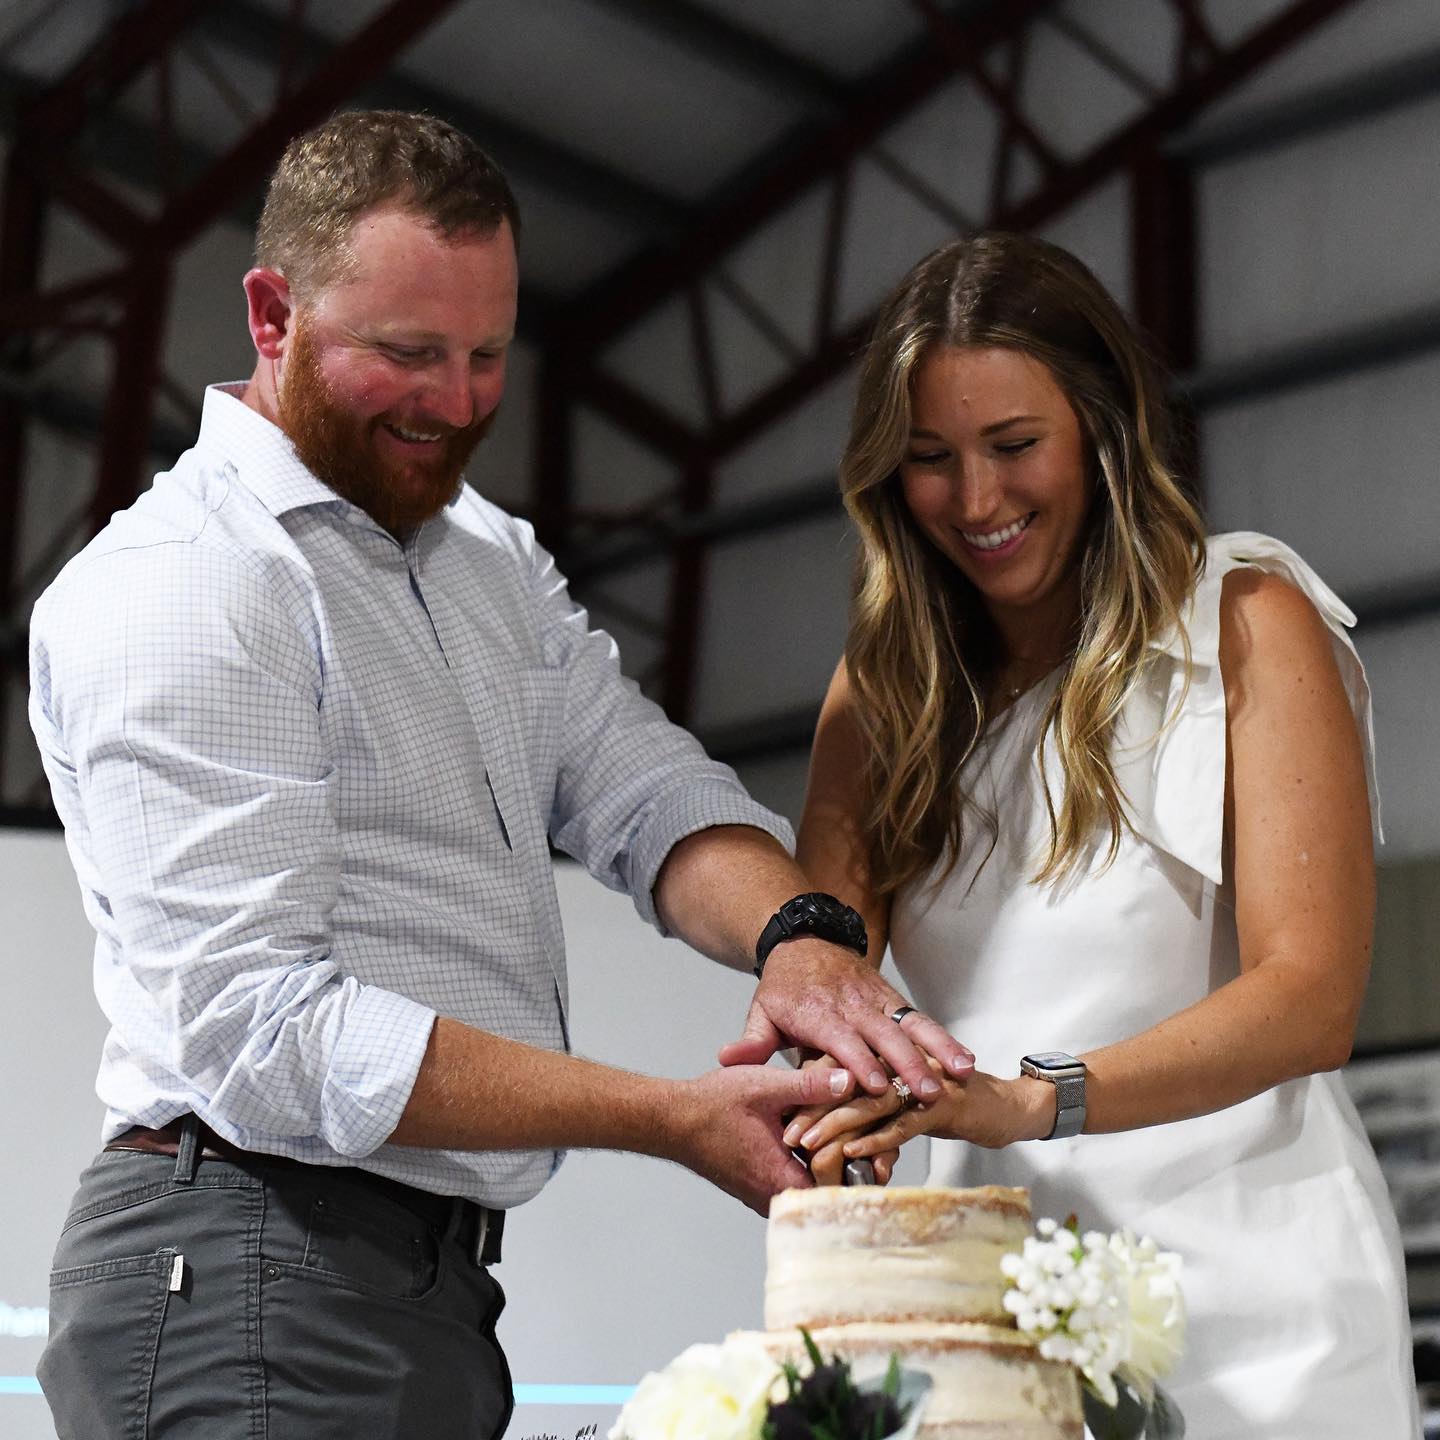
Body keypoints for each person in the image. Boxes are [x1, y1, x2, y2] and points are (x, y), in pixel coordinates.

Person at [26, 111, 974, 1440]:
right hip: (248, 1264)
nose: (458, 401)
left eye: (487, 355)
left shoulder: (483, 560)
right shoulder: (188, 581)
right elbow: (266, 1033)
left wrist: (803, 938)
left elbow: (642, 788)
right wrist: (670, 1116)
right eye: (408, 353)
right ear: (271, 315)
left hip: (406, 1288)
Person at [779, 233, 1420, 1436]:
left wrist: (1033, 1100)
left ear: (1103, 427)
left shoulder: (1247, 619)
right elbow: (830, 982)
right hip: (989, 1298)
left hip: (1260, 1311)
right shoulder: (883, 692)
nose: (976, 500)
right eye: (930, 459)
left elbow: (1311, 999)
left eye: (1014, 445)